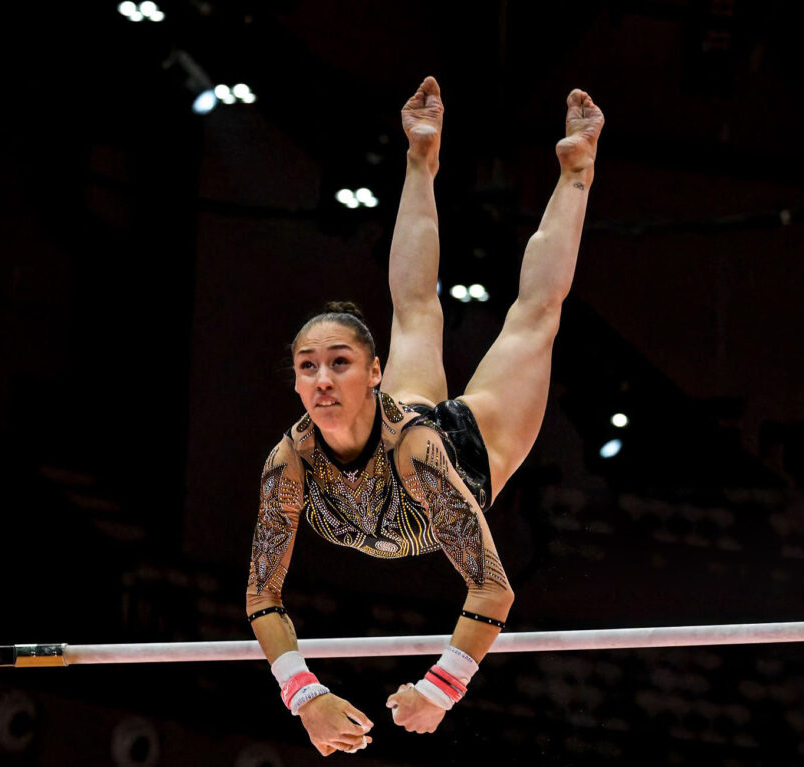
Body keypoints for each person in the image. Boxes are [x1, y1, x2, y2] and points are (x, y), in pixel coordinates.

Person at [245, 75, 604, 755]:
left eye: (341, 362)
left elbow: (492, 589)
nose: (322, 379)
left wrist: (442, 686)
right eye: (308, 366)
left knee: (533, 319)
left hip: (461, 453)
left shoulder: (416, 449)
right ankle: (420, 156)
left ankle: (578, 170)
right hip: (402, 431)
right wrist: (305, 695)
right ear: (294, 382)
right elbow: (263, 595)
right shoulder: (287, 464)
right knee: (415, 308)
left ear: (373, 372)